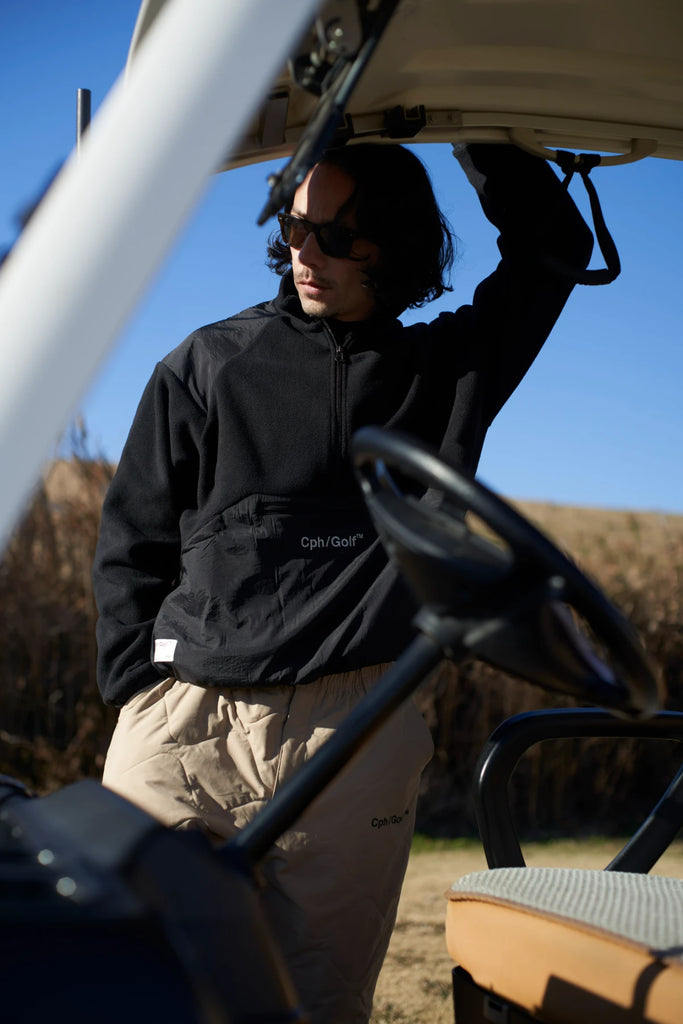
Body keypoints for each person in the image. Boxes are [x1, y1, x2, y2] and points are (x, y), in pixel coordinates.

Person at [92, 141, 592, 1023]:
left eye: (338, 235)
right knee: (132, 993)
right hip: (184, 724)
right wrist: (141, 690)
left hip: (355, 735)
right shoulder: (206, 364)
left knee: (317, 1005)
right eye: (295, 229)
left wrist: (471, 122)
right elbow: (132, 540)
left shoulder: (450, 373)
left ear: (394, 244)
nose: (306, 254)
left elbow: (552, 246)